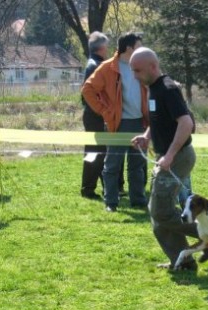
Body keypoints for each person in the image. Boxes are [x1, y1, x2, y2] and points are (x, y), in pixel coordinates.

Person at [129, 47, 205, 271]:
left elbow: (186, 124)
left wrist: (170, 155)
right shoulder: (153, 88)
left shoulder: (168, 89)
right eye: (133, 71)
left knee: (161, 210)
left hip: (179, 157)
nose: (135, 76)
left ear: (153, 66)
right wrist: (146, 136)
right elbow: (159, 119)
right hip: (168, 156)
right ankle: (182, 261)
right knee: (157, 210)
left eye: (138, 71)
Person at [82, 32, 148, 212]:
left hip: (140, 123)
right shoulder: (107, 67)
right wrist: (104, 111)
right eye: (139, 46)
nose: (142, 50)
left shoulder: (141, 65)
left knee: (137, 165)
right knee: (112, 165)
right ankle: (111, 202)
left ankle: (139, 201)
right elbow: (87, 89)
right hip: (118, 124)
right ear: (129, 48)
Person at [80, 31, 116, 200]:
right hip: (95, 116)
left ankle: (106, 187)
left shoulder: (93, 63)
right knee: (95, 152)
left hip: (94, 115)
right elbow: (90, 94)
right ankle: (88, 188)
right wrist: (103, 112)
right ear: (102, 48)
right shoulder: (97, 66)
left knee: (101, 152)